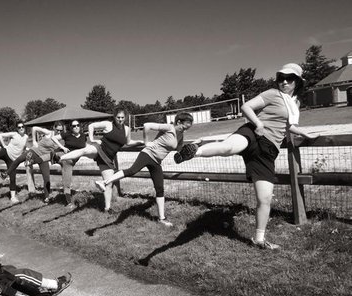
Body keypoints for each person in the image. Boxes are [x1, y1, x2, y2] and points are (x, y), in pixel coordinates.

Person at [174, 63, 320, 249]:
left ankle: (259, 239)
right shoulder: (272, 94)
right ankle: (195, 151)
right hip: (253, 133)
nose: (284, 81)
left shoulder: (294, 103)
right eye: (281, 77)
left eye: (289, 78)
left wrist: (305, 134)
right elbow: (246, 107)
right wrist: (258, 123)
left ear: (297, 82)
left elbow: (286, 125)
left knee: (265, 198)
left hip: (268, 149)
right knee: (228, 148)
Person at [95, 113, 194, 226]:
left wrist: (191, 148)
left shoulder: (181, 134)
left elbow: (179, 149)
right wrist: (146, 142)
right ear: (179, 122)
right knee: (132, 171)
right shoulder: (168, 127)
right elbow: (147, 125)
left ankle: (162, 218)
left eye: (188, 128)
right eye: (185, 126)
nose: (186, 129)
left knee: (160, 188)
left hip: (157, 162)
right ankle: (104, 182)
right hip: (147, 154)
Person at [59, 108, 144, 212]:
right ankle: (59, 158)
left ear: (125, 118)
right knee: (84, 151)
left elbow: (128, 142)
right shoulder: (108, 124)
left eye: (122, 117)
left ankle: (107, 208)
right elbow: (91, 126)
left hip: (108, 158)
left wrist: (139, 142)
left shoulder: (127, 129)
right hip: (99, 149)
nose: (120, 119)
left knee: (109, 184)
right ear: (114, 117)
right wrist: (92, 139)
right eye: (118, 117)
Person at [0, 121, 69, 203]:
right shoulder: (49, 133)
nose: (59, 132)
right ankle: (5, 174)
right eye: (57, 130)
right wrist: (34, 141)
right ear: (54, 128)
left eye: (61, 130)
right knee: (19, 159)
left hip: (43, 158)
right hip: (34, 151)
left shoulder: (60, 139)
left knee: (46, 178)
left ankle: (47, 197)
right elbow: (34, 128)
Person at [53, 120, 87, 208]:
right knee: (66, 163)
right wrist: (62, 147)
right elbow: (53, 138)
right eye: (73, 126)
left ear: (80, 126)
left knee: (67, 164)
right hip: (65, 155)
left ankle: (53, 157)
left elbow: (86, 147)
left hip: (73, 159)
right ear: (71, 127)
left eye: (78, 125)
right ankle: (68, 199)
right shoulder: (67, 134)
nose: (76, 127)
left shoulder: (83, 136)